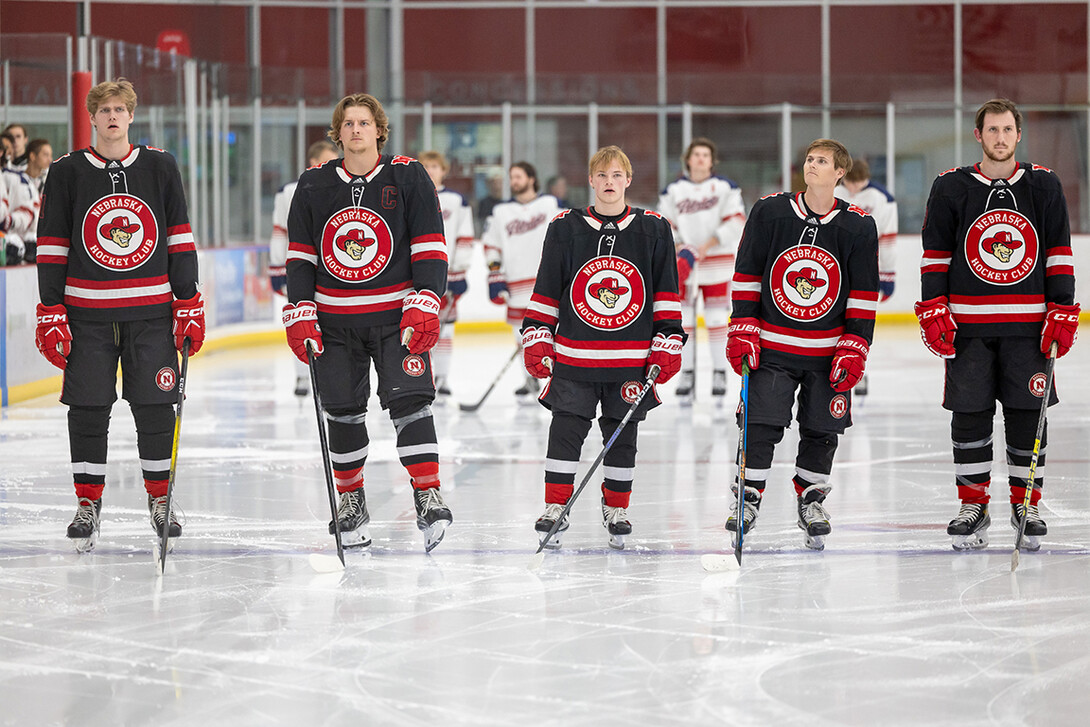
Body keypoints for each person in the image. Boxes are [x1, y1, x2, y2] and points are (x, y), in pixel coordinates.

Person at [34, 78, 204, 553]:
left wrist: (187, 299)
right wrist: (51, 308)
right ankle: (88, 503)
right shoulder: (67, 171)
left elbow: (178, 237)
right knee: (88, 410)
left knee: (155, 408)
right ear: (91, 118)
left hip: (150, 313)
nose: (112, 116)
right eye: (103, 109)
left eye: (120, 109)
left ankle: (160, 499)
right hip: (86, 315)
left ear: (132, 116)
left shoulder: (159, 165)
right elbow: (52, 244)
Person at [282, 92, 453, 553]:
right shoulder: (314, 183)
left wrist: (427, 299)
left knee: (412, 403)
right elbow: (300, 256)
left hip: (396, 318)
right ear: (337, 133)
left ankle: (427, 493)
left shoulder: (407, 174)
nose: (356, 129)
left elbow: (430, 245)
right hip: (335, 321)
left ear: (379, 129)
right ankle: (351, 500)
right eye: (348, 123)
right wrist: (301, 310)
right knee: (341, 409)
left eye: (364, 122)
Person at [916, 98, 1078, 552]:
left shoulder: (1044, 186)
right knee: (969, 417)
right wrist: (934, 308)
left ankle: (1026, 503)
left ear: (1018, 135)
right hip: (969, 329)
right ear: (978, 135)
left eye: (1008, 130)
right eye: (993, 130)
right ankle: (974, 504)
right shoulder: (950, 187)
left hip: (1028, 329)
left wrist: (1061, 310)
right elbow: (936, 256)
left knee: (1029, 416)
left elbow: (1058, 254)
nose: (1001, 138)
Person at [522, 145, 684, 550]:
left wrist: (668, 338)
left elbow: (665, 290)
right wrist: (539, 332)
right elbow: (548, 286)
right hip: (575, 355)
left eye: (617, 176)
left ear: (628, 181)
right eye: (602, 176)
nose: (609, 183)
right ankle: (556, 506)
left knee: (622, 435)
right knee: (565, 430)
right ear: (590, 181)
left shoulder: (654, 228)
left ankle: (617, 507)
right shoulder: (565, 226)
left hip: (630, 359)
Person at [726, 139, 878, 550]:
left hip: (828, 352)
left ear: (840, 173)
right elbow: (748, 272)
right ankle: (748, 497)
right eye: (810, 159)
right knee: (760, 421)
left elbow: (863, 294)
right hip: (773, 347)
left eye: (822, 161)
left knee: (822, 427)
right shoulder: (771, 211)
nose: (812, 165)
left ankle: (811, 499)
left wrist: (855, 345)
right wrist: (743, 325)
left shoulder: (858, 225)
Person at [659, 138, 746, 404]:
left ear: (712, 161)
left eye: (705, 155)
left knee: (718, 320)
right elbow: (665, 223)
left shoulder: (725, 188)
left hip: (717, 263)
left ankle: (719, 372)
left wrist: (709, 244)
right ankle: (686, 372)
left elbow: (736, 220)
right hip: (685, 266)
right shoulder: (673, 190)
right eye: (696, 154)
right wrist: (681, 246)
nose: (700, 159)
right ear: (688, 159)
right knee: (684, 320)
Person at [481, 160, 564, 399]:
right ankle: (530, 378)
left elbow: (565, 238)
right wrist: (495, 275)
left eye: (518, 176)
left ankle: (557, 376)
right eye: (512, 177)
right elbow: (492, 246)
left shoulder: (550, 205)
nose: (514, 181)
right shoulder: (501, 212)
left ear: (531, 178)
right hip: (516, 284)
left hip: (548, 282)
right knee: (521, 334)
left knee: (554, 331)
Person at [268, 139, 340, 397]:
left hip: (330, 271)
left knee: (329, 325)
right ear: (313, 161)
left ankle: (327, 376)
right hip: (299, 267)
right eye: (327, 159)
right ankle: (302, 377)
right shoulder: (289, 191)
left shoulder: (339, 186)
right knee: (302, 322)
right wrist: (277, 267)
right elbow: (280, 230)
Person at [835, 157, 898, 396]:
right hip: (837, 268)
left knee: (859, 325)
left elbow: (888, 238)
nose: (853, 189)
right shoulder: (834, 190)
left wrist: (888, 276)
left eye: (858, 183)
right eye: (850, 183)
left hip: (866, 270)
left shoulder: (882, 198)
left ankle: (858, 372)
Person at [420, 150, 475, 397]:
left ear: (443, 170)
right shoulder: (413, 195)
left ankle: (442, 377)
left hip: (448, 275)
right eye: (426, 166)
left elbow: (465, 235)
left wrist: (459, 270)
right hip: (419, 276)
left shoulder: (455, 200)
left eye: (435, 166)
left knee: (447, 329)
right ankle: (423, 376)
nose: (430, 170)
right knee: (421, 326)